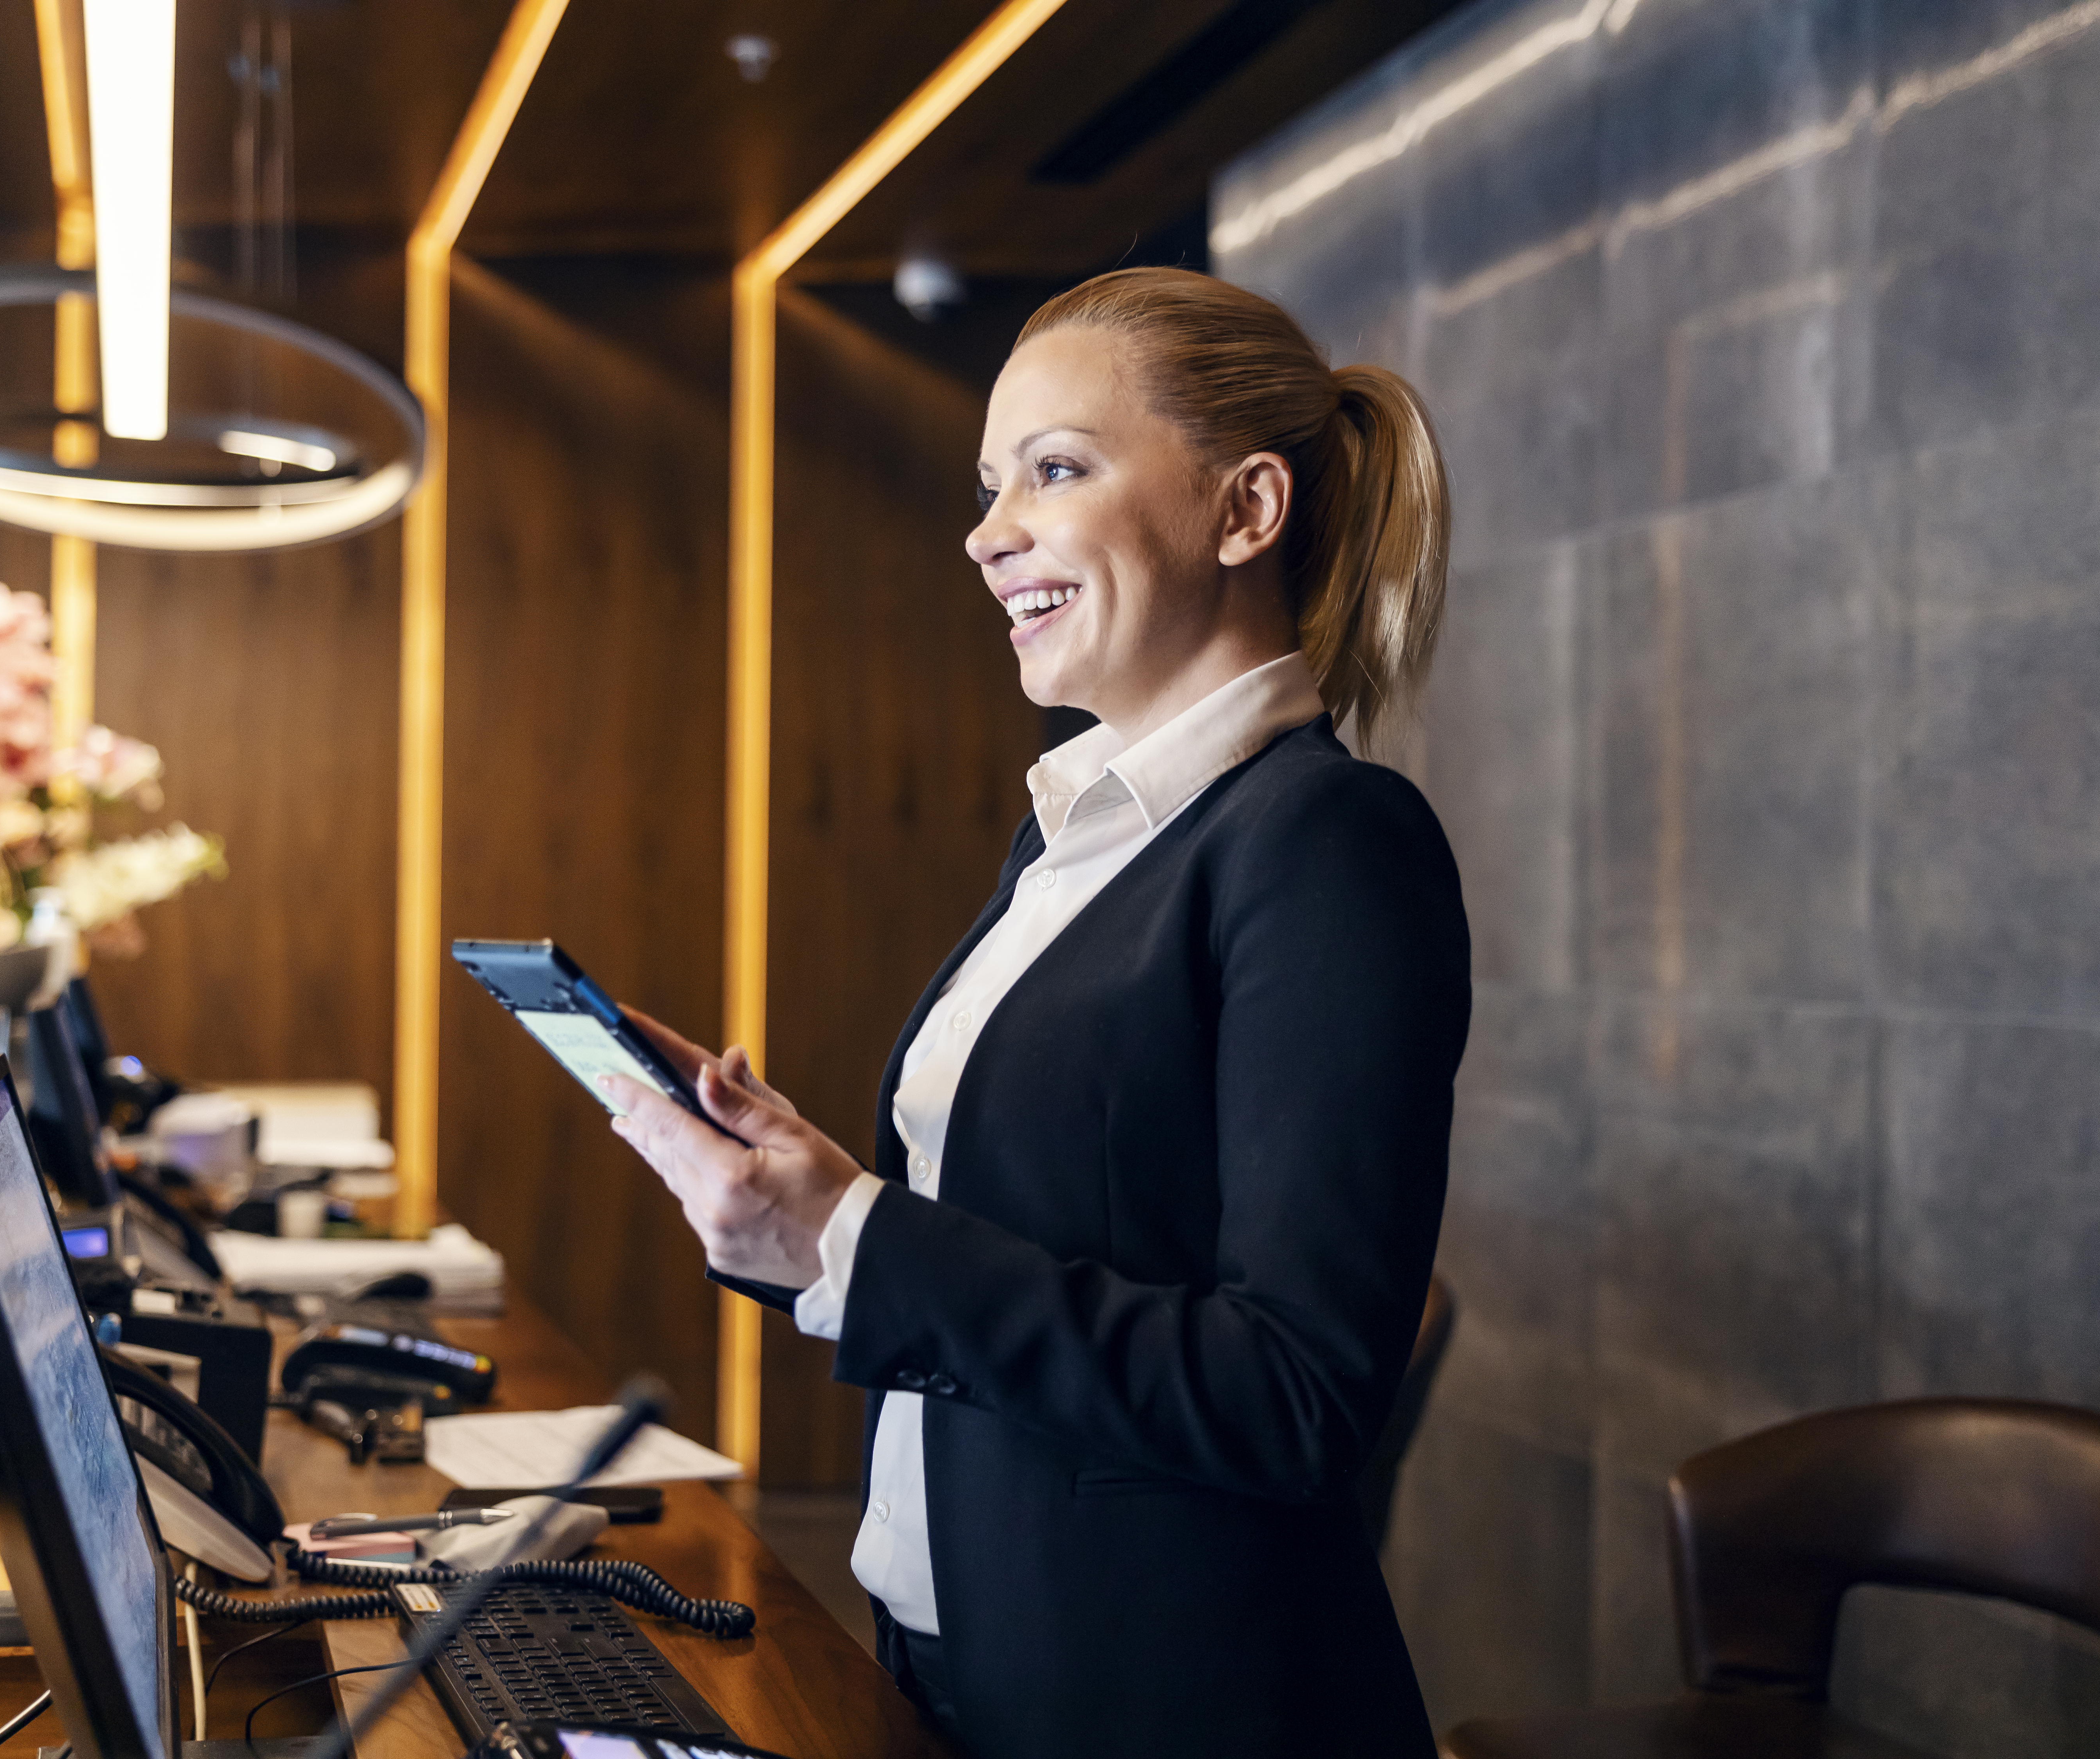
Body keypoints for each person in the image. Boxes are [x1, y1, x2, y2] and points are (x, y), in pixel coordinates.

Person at [602, 267, 1472, 1757]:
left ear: (1244, 511)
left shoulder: (1329, 845)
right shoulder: (1080, 832)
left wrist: (860, 1237)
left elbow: (1299, 1391)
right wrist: (803, 1202)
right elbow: (1019, 1237)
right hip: (950, 1656)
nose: (988, 534)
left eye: (1054, 471)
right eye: (990, 485)